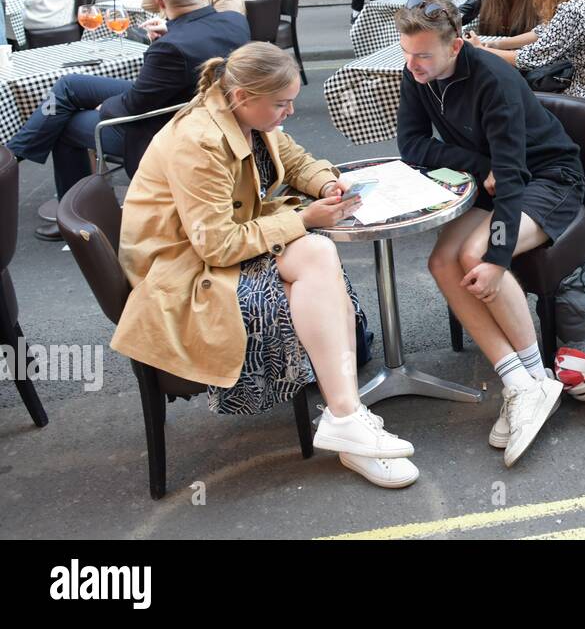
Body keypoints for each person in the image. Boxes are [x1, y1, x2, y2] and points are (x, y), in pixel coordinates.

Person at [111, 42, 418, 488]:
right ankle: (347, 421)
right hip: (182, 275)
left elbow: (294, 159)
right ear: (242, 97)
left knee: (316, 253)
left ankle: (345, 418)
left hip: (218, 251)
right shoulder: (197, 141)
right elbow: (215, 246)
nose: (290, 111)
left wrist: (327, 184)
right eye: (282, 103)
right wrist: (303, 217)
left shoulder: (249, 113)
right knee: (312, 259)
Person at [395, 0, 579, 466]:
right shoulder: (416, 74)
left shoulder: (494, 77)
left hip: (548, 177)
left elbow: (513, 174)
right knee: (440, 262)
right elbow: (412, 146)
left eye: (423, 55)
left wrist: (498, 259)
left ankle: (538, 381)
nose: (413, 64)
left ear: (455, 46)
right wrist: (480, 165)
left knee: (476, 256)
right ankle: (517, 381)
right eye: (407, 52)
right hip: (492, 177)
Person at [6, 0, 249, 239]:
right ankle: (16, 152)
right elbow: (199, 39)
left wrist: (104, 106)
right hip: (191, 106)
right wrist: (170, 30)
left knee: (63, 125)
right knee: (69, 84)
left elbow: (133, 106)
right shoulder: (234, 21)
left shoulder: (169, 48)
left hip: (164, 126)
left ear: (159, 1)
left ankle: (75, 217)